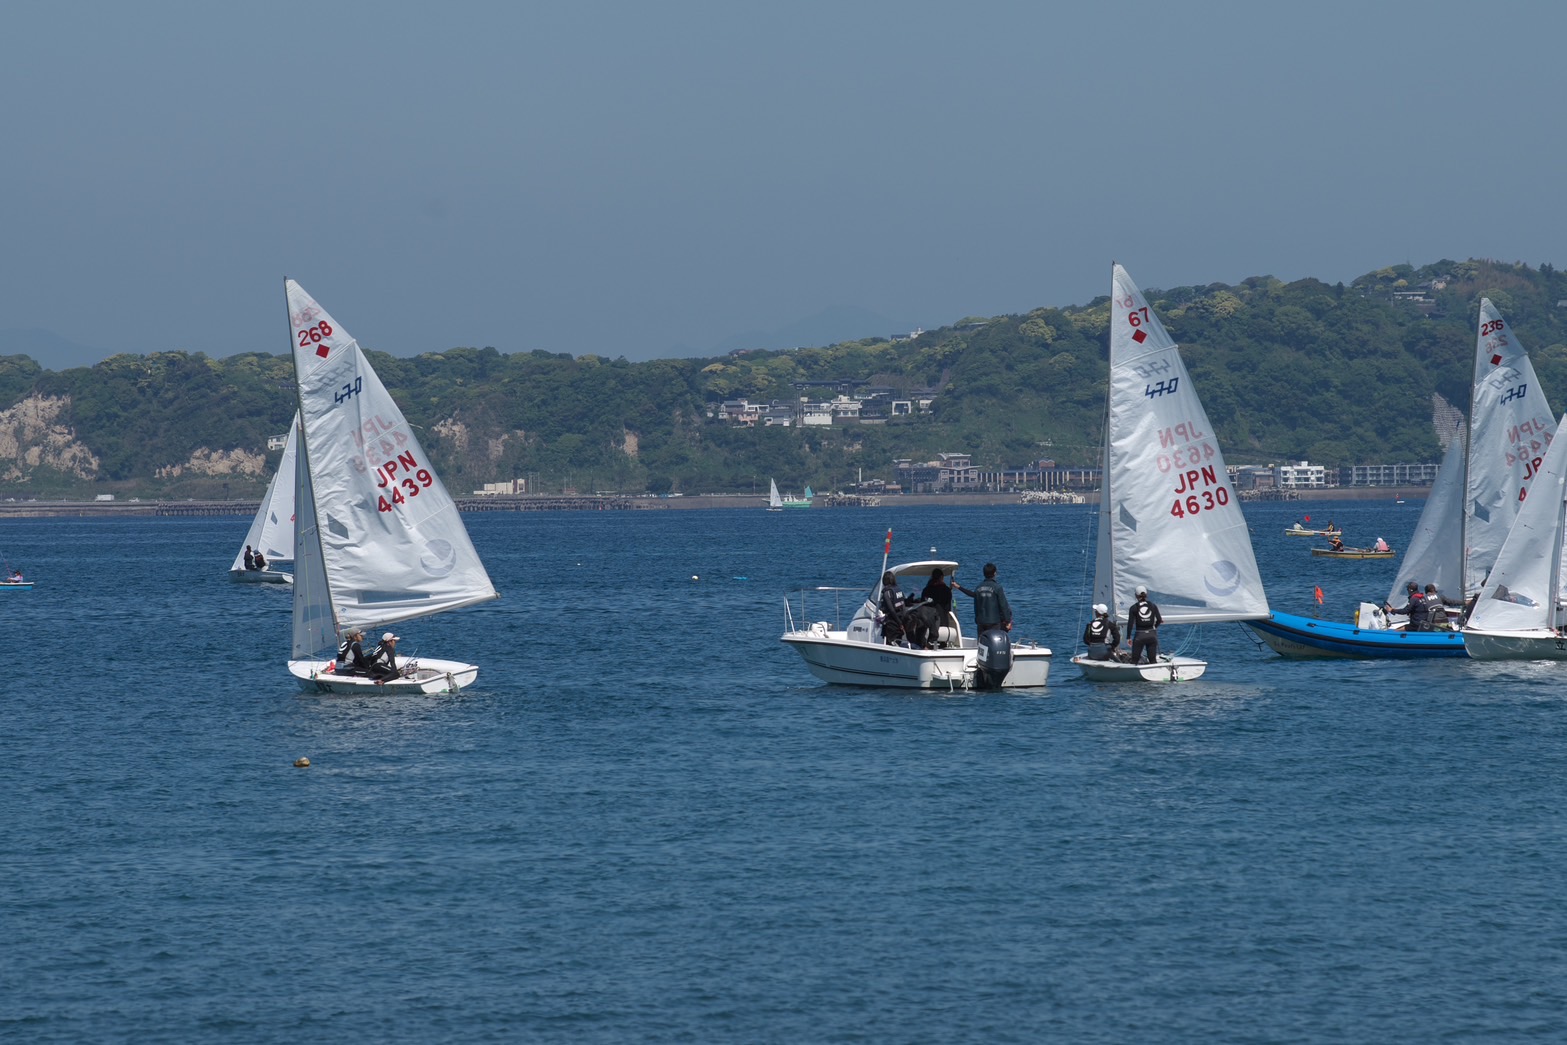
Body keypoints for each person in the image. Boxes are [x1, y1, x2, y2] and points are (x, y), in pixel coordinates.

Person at [954, 562, 1012, 636]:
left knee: (982, 642)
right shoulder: (997, 588)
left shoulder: (978, 588)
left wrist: (958, 587)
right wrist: (1007, 620)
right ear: (995, 573)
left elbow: (973, 598)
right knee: (993, 642)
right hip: (994, 622)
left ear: (984, 574)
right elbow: (1003, 605)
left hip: (981, 621)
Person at [878, 571, 925, 647]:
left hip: (892, 622)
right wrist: (902, 622)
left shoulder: (887, 593)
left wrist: (899, 623)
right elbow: (903, 606)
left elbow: (891, 610)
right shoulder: (898, 590)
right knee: (898, 642)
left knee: (890, 644)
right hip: (901, 619)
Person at [917, 567, 954, 646]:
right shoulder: (947, 591)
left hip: (929, 622)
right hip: (944, 622)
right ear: (942, 578)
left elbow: (923, 606)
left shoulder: (926, 590)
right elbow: (948, 608)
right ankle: (942, 644)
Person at [1126, 585, 1163, 663]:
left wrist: (1128, 637)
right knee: (1152, 660)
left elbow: (1130, 624)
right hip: (1152, 635)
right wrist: (1154, 627)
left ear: (1136, 596)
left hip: (1140, 635)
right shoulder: (1153, 605)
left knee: (1135, 660)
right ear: (1147, 594)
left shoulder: (1133, 608)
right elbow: (1159, 620)